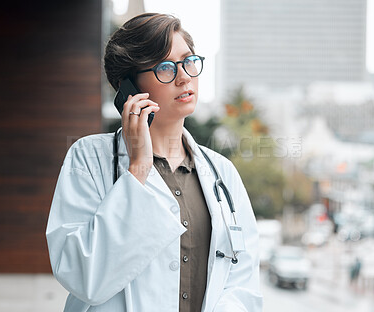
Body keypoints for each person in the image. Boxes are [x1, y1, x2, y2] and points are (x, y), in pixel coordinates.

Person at [46, 13, 262, 312]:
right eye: (165, 67)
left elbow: (243, 281)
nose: (184, 76)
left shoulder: (221, 171)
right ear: (128, 88)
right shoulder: (88, 158)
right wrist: (138, 170)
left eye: (188, 61)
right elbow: (84, 279)